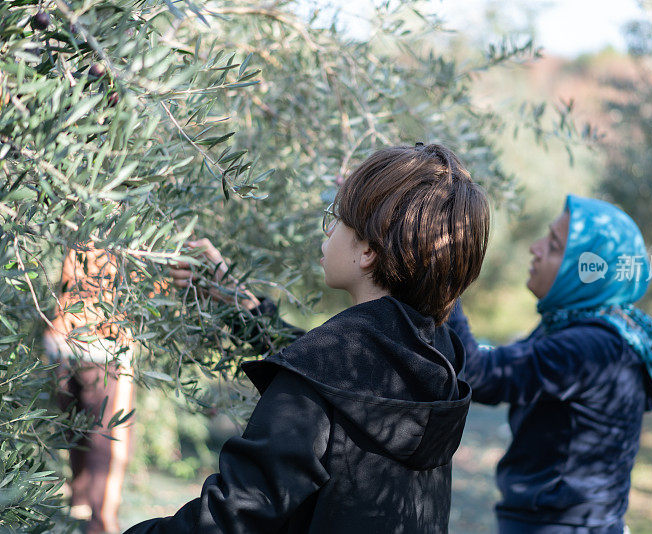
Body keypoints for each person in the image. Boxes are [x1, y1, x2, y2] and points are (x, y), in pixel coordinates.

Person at [124, 143, 491, 533]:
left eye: (337, 218)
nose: (329, 229)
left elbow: (233, 517)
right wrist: (240, 302)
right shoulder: (439, 359)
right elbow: (343, 371)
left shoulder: (325, 374)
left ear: (368, 250)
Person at [447, 195, 652, 534]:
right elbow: (492, 363)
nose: (535, 249)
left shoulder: (589, 347)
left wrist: (442, 280)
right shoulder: (590, 329)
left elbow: (480, 375)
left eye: (554, 246)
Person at [43, 245, 136, 534]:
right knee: (103, 449)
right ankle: (99, 523)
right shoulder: (122, 237)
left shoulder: (78, 225)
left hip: (69, 345)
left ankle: (89, 518)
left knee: (85, 444)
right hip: (100, 349)